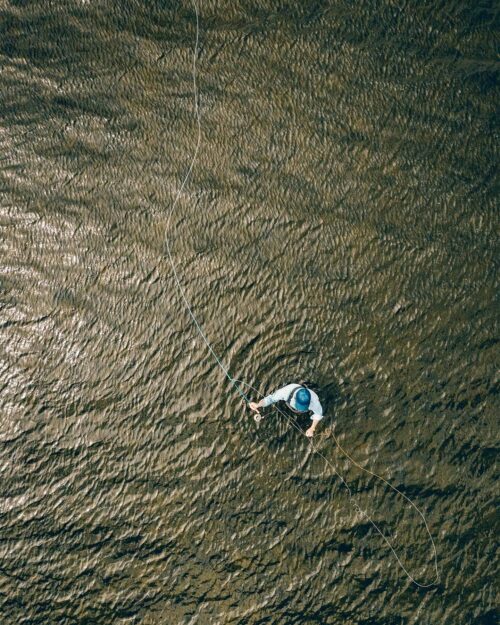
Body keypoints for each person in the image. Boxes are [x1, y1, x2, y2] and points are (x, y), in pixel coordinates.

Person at [248, 383, 324, 438]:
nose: (300, 408)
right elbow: (271, 398)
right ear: (295, 398)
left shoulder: (314, 400)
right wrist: (258, 404)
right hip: (289, 402)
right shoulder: (285, 392)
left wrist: (312, 428)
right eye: (300, 406)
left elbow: (318, 414)